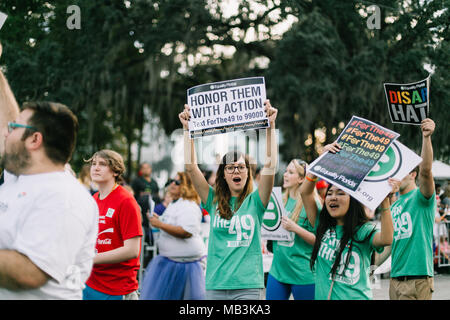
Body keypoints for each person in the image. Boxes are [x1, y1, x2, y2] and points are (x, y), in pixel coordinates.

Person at [178, 99, 278, 300]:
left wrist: (270, 125)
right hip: (216, 284)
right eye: (230, 167)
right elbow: (191, 167)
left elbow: (270, 165)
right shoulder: (212, 199)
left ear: (248, 173)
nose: (236, 171)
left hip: (248, 286)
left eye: (241, 167)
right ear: (223, 174)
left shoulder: (257, 201)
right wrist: (187, 130)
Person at [0, 101, 99, 299]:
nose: (5, 133)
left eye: (13, 127)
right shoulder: (17, 179)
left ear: (35, 139)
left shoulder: (63, 196)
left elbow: (28, 273)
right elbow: (6, 109)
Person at [301, 142, 396, 300]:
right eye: (330, 193)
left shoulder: (363, 230)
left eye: (340, 193)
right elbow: (305, 192)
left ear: (353, 201)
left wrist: (385, 202)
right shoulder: (322, 225)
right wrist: (322, 160)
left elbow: (387, 238)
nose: (333, 197)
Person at [83, 149, 143, 300]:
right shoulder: (94, 198)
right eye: (94, 164)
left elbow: (132, 250)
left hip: (117, 288)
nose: (95, 168)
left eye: (102, 164)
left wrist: (90, 258)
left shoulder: (126, 201)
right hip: (90, 282)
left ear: (115, 171)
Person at [389, 118, 437, 300]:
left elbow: (426, 171)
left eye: (400, 170)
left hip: (417, 280)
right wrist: (371, 265)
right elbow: (390, 244)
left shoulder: (421, 197)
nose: (395, 175)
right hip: (395, 279)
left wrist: (426, 138)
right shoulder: (395, 205)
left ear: (412, 174)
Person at [140, 172, 206, 300]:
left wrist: (159, 224)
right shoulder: (174, 203)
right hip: (171, 261)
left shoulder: (189, 205)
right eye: (171, 181)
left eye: (177, 182)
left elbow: (185, 232)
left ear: (187, 186)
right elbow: (172, 223)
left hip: (185, 266)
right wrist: (160, 220)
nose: (172, 184)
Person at [266, 158, 321, 300]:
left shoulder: (312, 204)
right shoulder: (278, 201)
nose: (285, 174)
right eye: (285, 171)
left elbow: (320, 241)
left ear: (302, 179)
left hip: (303, 275)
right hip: (278, 272)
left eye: (291, 172)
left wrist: (295, 228)